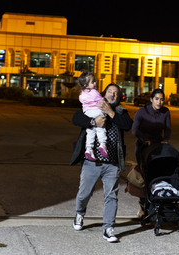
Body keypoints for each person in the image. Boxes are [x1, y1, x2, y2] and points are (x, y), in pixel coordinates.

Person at [70, 83, 133, 243]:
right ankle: (79, 213)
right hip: (92, 162)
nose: (113, 94)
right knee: (84, 194)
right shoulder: (92, 105)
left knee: (111, 196)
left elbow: (128, 125)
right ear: (104, 94)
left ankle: (108, 228)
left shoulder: (120, 112)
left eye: (116, 93)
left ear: (119, 98)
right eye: (110, 91)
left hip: (112, 163)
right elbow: (76, 118)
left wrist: (110, 112)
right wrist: (93, 122)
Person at [132, 88, 171, 163]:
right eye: (156, 99)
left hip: (158, 145)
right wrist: (145, 139)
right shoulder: (142, 111)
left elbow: (168, 129)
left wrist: (165, 140)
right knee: (144, 170)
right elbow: (135, 130)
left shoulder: (165, 111)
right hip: (143, 144)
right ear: (151, 99)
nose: (159, 102)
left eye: (161, 99)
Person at [78, 71, 108, 161]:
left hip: (88, 113)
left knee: (90, 132)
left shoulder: (82, 95)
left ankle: (89, 148)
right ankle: (103, 144)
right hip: (97, 111)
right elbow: (101, 101)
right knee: (100, 129)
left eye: (94, 81)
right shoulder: (94, 92)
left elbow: (82, 102)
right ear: (86, 85)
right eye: (92, 82)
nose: (95, 83)